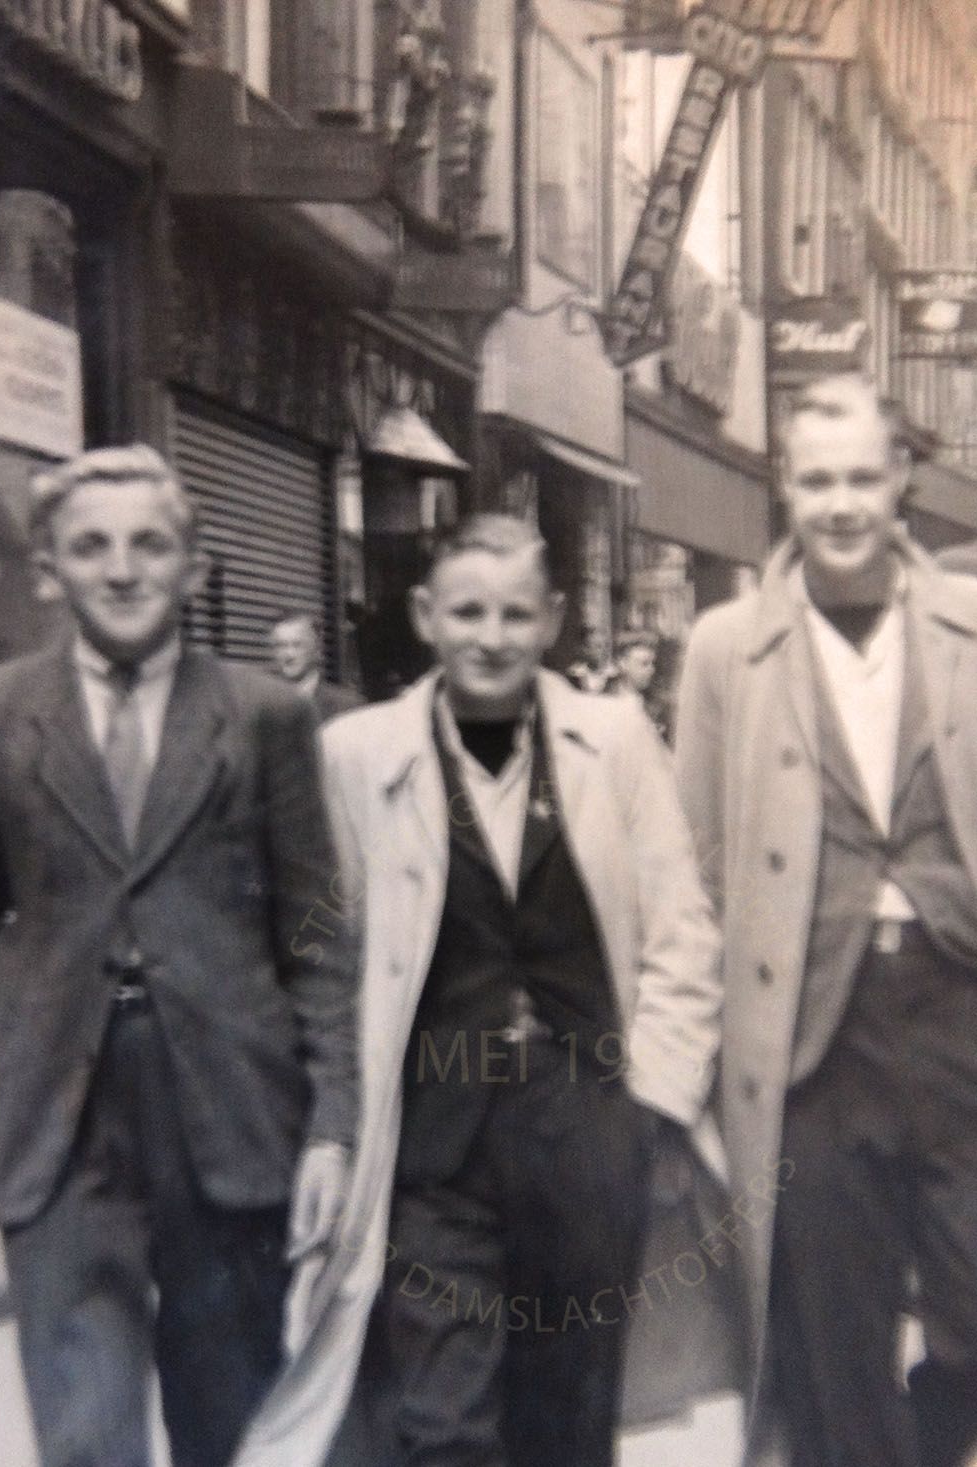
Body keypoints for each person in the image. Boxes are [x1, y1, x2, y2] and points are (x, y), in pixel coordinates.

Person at [0, 444, 358, 1467]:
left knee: (231, 1426)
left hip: (230, 1118)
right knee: (84, 1436)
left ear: (193, 568)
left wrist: (331, 1124)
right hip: (61, 1121)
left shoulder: (263, 717)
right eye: (90, 547)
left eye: (150, 545)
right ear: (47, 570)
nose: (121, 569)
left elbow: (318, 936)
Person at [241, 513, 722, 1467]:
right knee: (443, 1423)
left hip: (587, 1131)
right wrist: (334, 1122)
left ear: (552, 620)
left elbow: (682, 929)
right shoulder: (359, 755)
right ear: (426, 615)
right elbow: (322, 950)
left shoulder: (614, 739)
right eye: (467, 612)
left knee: (568, 1421)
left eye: (514, 614)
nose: (491, 637)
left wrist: (651, 1106)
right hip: (433, 1143)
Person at [675, 373, 977, 1467]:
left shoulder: (967, 624)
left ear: (901, 481)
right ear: (783, 489)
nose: (840, 505)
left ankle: (938, 1420)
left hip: (957, 1013)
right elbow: (698, 862)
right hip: (806, 1037)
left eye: (860, 478)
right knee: (833, 1343)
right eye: (815, 482)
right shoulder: (726, 647)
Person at [268, 611, 363, 723]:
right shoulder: (263, 705)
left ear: (317, 649)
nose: (289, 655)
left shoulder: (347, 707)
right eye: (281, 646)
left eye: (297, 645)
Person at [566, 622, 619, 693]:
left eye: (603, 646)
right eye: (591, 646)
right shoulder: (574, 674)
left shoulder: (615, 675)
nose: (603, 651)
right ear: (584, 649)